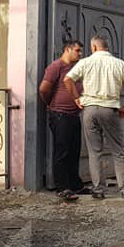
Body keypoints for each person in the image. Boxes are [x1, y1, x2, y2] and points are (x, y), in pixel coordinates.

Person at [64, 35, 124, 199]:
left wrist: (76, 97)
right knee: (118, 150)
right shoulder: (120, 64)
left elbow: (67, 79)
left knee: (94, 151)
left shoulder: (85, 63)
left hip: (89, 109)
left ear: (94, 47)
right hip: (110, 109)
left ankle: (98, 189)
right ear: (106, 47)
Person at [40, 40, 88, 201]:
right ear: (67, 49)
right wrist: (51, 104)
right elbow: (44, 89)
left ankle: (75, 184)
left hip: (74, 115)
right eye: (77, 50)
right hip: (60, 115)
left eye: (81, 51)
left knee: (74, 151)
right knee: (62, 152)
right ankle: (62, 187)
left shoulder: (77, 68)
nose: (80, 54)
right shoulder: (56, 67)